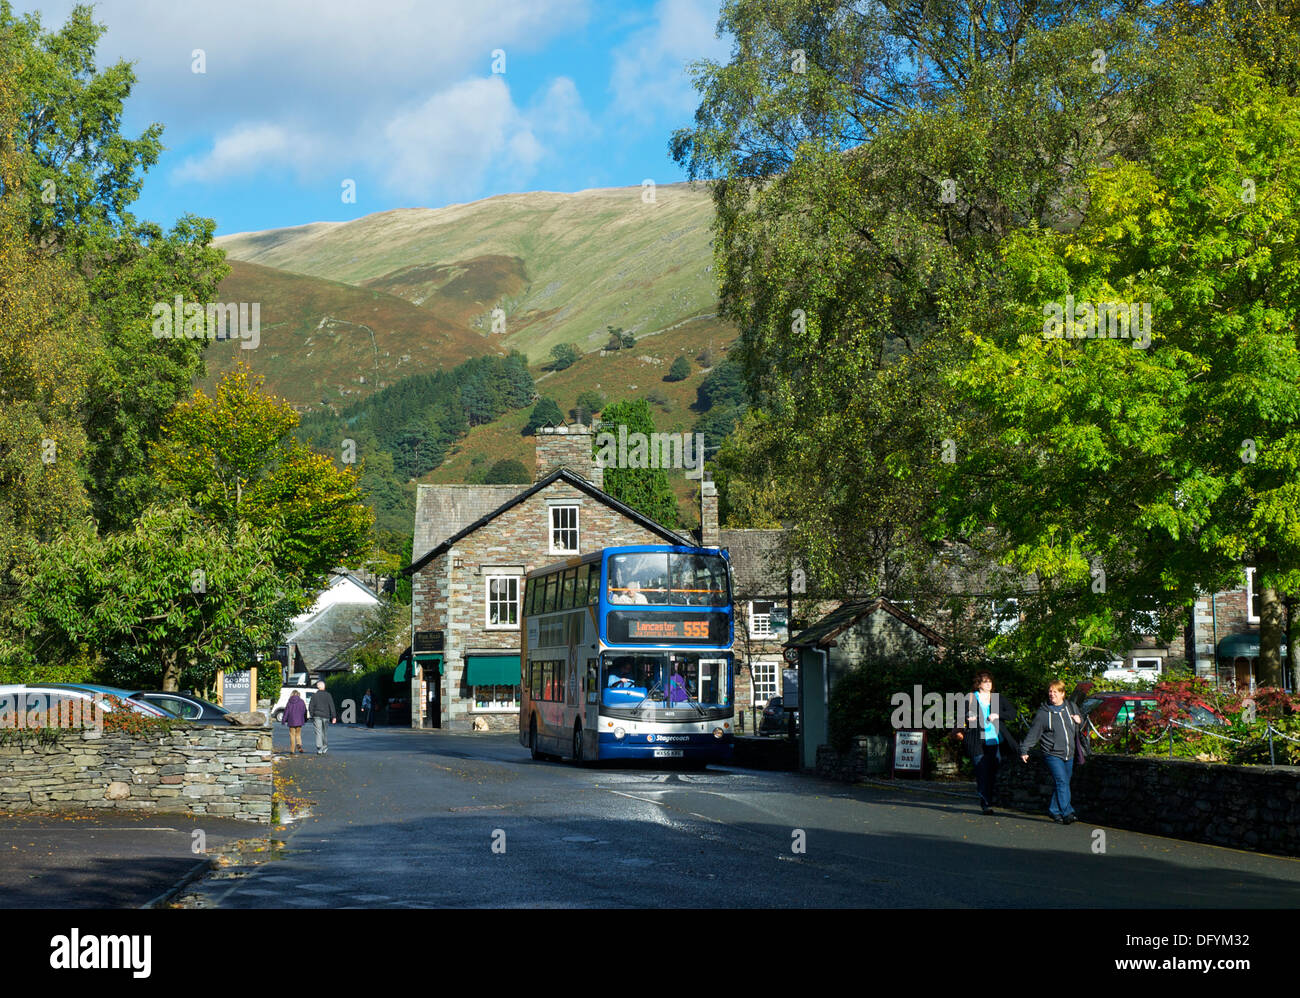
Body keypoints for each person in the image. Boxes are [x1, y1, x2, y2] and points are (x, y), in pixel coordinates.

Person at [955, 671, 1020, 815]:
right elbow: (961, 716)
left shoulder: (997, 699)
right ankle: (986, 804)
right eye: (985, 682)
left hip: (994, 740)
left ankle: (989, 798)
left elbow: (1012, 713)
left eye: (990, 681)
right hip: (976, 740)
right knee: (982, 771)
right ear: (978, 684)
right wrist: (967, 718)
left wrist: (998, 714)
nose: (989, 684)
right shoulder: (971, 698)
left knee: (992, 770)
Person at [1020, 679, 1084, 824]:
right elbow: (1033, 733)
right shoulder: (1044, 713)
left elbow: (1081, 723)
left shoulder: (1071, 707)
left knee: (1064, 782)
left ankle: (1054, 810)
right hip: (1052, 753)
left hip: (1069, 752)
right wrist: (1025, 749)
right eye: (1050, 691)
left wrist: (1079, 720)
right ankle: (1067, 812)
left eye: (1055, 691)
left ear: (1062, 694)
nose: (1052, 694)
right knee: (1062, 781)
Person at [309, 681, 338, 755]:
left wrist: (312, 714)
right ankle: (324, 746)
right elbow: (331, 705)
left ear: (318, 687)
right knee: (324, 732)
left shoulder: (314, 695)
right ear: (324, 687)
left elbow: (310, 706)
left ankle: (319, 748)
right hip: (326, 716)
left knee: (318, 732)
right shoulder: (328, 695)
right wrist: (334, 716)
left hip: (317, 715)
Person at [282, 689, 307, 754]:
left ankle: (292, 750)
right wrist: (304, 719)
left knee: (292, 735)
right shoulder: (301, 701)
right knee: (298, 734)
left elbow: (286, 712)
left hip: (291, 721)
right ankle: (299, 744)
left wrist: (283, 720)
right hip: (299, 721)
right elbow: (304, 711)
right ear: (298, 694)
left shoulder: (289, 702)